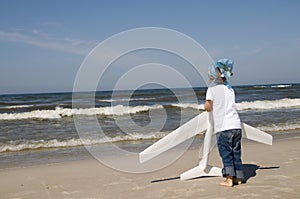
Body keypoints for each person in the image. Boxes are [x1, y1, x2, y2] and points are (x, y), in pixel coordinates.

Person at [204, 59, 244, 187]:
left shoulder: (212, 89)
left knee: (226, 153)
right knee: (236, 152)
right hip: (236, 126)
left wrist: (207, 106)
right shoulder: (230, 89)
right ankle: (238, 178)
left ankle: (229, 179)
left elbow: (208, 106)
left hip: (223, 128)